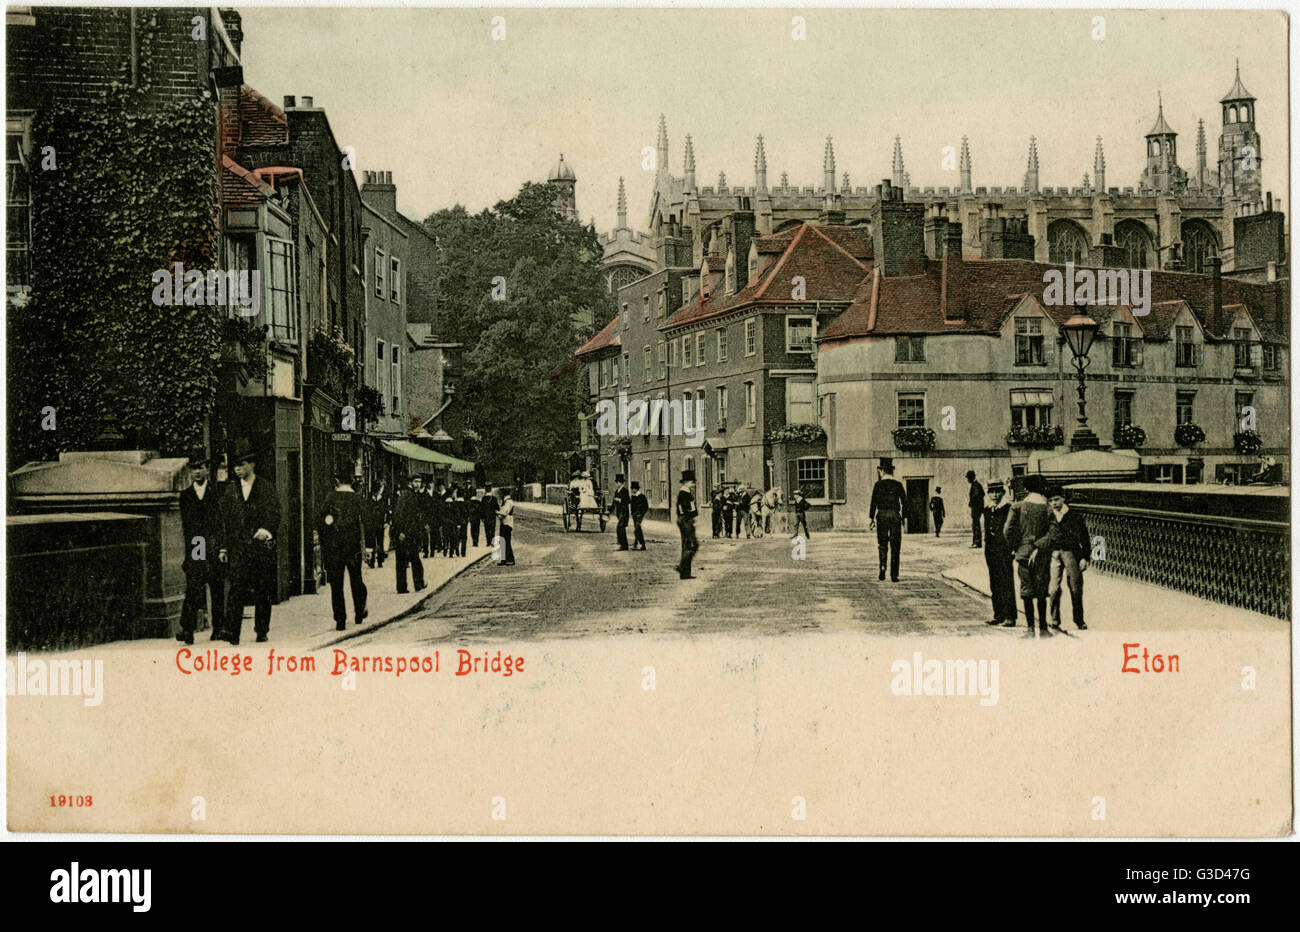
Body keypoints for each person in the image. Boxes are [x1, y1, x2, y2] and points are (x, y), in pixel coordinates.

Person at [219, 437, 281, 645]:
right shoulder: (230, 491)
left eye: (242, 465)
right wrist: (223, 547)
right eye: (235, 466)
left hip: (259, 548)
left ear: (252, 465)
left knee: (262, 589)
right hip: (238, 549)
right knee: (236, 588)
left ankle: (261, 629)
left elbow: (274, 513)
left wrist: (266, 530)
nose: (237, 469)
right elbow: (224, 521)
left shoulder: (265, 488)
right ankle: (232, 632)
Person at [177, 447, 225, 645]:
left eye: (201, 467)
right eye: (194, 468)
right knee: (194, 587)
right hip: (197, 545)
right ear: (190, 472)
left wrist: (222, 547)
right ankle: (187, 629)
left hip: (213, 544)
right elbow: (186, 527)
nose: (197, 471)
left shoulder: (215, 493)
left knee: (217, 587)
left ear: (207, 470)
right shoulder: (185, 496)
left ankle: (219, 628)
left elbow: (221, 522)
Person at [318, 463, 368, 631]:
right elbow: (364, 524)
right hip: (353, 548)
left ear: (337, 480)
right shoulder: (358, 499)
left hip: (334, 549)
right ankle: (359, 611)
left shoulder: (330, 498)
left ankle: (340, 620)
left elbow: (322, 523)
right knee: (357, 580)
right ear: (352, 481)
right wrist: (365, 547)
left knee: (336, 585)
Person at [1004, 473, 1054, 636]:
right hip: (1042, 555)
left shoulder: (1017, 507)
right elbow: (1053, 533)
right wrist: (1039, 546)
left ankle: (1030, 628)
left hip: (1023, 553)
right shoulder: (1048, 508)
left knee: (1026, 591)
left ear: (1026, 488)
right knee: (1041, 591)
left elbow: (1008, 530)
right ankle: (1044, 629)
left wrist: (1015, 547)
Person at [1037, 485, 1090, 631]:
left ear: (1063, 498)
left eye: (1056, 499)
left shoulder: (1074, 516)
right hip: (1054, 554)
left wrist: (1085, 557)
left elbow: (1085, 538)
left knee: (1075, 587)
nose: (1054, 503)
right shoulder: (1048, 516)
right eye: (1050, 501)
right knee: (1053, 588)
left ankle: (1079, 620)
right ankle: (1054, 619)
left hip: (1071, 553)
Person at [982, 480, 1017, 627]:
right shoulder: (988, 509)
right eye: (992, 492)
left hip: (1004, 550)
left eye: (997, 492)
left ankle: (1010, 616)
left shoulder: (1008, 508)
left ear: (1003, 492)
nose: (995, 495)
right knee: (994, 583)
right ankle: (998, 615)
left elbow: (1014, 530)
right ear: (988, 493)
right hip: (991, 550)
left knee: (1006, 582)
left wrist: (1013, 547)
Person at [868, 459, 905, 582]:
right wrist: (903, 518)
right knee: (895, 545)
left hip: (882, 515)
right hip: (895, 516)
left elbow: (873, 502)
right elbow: (905, 502)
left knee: (882, 544)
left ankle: (882, 568)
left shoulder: (878, 485)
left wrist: (871, 518)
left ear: (882, 471)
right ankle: (894, 575)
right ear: (892, 471)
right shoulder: (898, 484)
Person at [393, 475, 427, 593]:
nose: (418, 484)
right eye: (416, 482)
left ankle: (416, 584)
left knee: (412, 559)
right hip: (405, 533)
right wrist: (400, 531)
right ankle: (410, 586)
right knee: (406, 560)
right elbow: (398, 514)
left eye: (419, 482)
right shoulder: (406, 495)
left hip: (411, 532)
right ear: (410, 482)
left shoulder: (412, 494)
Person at [674, 469, 699, 579]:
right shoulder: (684, 493)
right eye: (692, 482)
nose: (693, 484)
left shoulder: (685, 492)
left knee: (687, 545)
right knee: (692, 545)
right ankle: (682, 567)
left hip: (685, 520)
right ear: (686, 482)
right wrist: (691, 514)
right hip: (685, 520)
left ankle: (685, 573)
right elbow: (683, 509)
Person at [364, 482, 388, 568]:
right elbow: (366, 513)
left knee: (380, 542)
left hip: (380, 524)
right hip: (371, 524)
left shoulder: (383, 500)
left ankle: (380, 560)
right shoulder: (369, 500)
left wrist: (386, 522)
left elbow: (386, 512)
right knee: (371, 543)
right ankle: (372, 561)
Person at [497, 491, 516, 565]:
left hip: (507, 523)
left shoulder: (508, 502)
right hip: (504, 523)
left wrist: (497, 512)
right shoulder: (506, 502)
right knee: (502, 541)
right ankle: (504, 560)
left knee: (506, 542)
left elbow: (504, 513)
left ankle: (510, 559)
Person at [612, 473, 631, 551]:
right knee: (621, 528)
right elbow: (613, 503)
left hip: (624, 512)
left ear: (621, 482)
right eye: (617, 482)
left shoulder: (625, 491)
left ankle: (624, 545)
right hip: (619, 512)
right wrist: (609, 511)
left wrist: (620, 500)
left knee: (620, 528)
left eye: (618, 482)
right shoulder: (617, 491)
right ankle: (624, 545)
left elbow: (628, 501)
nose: (617, 484)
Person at [966, 470, 985, 548]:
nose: (967, 480)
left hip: (976, 507)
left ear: (971, 477)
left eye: (968, 478)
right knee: (975, 524)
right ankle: (976, 542)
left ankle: (977, 542)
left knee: (976, 525)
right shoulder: (976, 485)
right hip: (977, 507)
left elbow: (976, 496)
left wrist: (971, 502)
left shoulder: (976, 485)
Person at [630, 481, 649, 550]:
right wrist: (632, 513)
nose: (632, 490)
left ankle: (642, 544)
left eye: (632, 489)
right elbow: (632, 506)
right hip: (634, 515)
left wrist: (641, 514)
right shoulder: (633, 496)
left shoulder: (642, 496)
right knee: (636, 529)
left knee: (637, 528)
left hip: (639, 515)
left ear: (636, 489)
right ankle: (635, 544)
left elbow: (646, 506)